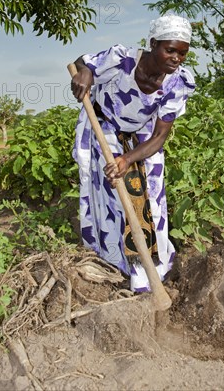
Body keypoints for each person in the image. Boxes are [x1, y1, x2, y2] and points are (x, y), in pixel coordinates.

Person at [71, 15, 196, 292]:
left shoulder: (179, 82)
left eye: (183, 53)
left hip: (143, 136)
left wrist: (128, 159)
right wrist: (85, 74)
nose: (177, 58)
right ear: (153, 44)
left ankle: (151, 266)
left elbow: (160, 136)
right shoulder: (122, 59)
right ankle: (116, 260)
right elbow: (84, 62)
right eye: (171, 49)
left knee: (150, 195)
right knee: (116, 196)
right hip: (105, 128)